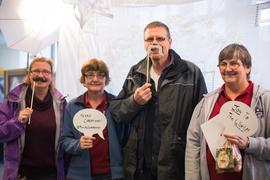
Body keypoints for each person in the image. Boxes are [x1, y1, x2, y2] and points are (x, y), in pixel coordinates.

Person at [109, 21, 207, 180]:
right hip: (139, 167)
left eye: (160, 38)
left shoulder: (190, 72)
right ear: (144, 44)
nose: (154, 43)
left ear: (170, 42)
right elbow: (117, 112)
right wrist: (134, 101)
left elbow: (202, 120)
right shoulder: (136, 72)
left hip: (174, 164)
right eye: (149, 39)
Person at [185, 43, 270, 180]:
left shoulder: (265, 100)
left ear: (248, 68)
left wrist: (250, 143)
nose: (228, 68)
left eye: (234, 63)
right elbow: (193, 143)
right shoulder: (206, 102)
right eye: (223, 64)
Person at [0, 57, 67, 180]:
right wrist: (17, 121)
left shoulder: (61, 103)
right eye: (36, 71)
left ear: (51, 76)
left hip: (52, 174)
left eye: (46, 72)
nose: (40, 75)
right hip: (21, 174)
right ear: (29, 74)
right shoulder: (12, 101)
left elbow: (66, 138)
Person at [60, 58, 126, 180]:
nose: (95, 79)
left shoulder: (117, 104)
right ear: (84, 79)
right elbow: (64, 141)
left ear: (106, 79)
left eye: (101, 75)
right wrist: (77, 144)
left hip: (112, 174)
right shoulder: (73, 106)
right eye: (90, 75)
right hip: (79, 175)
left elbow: (125, 138)